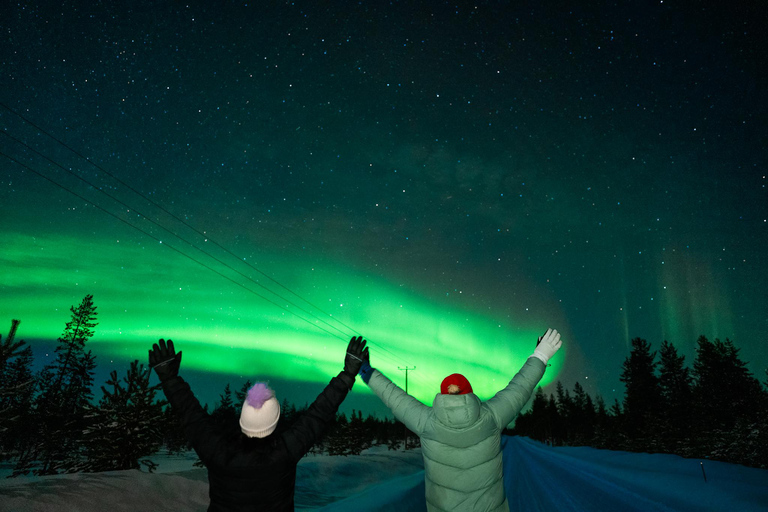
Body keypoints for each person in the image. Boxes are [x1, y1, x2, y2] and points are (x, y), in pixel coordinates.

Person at [149, 335, 368, 512]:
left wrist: (170, 379)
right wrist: (348, 374)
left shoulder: (217, 452)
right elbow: (319, 414)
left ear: (242, 420)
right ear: (274, 422)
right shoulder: (285, 452)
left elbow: (191, 414)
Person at [359, 328, 562, 512]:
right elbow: (520, 388)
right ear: (470, 393)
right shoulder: (491, 417)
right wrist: (540, 355)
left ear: (443, 394)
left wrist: (366, 372)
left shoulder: (425, 421)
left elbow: (394, 397)